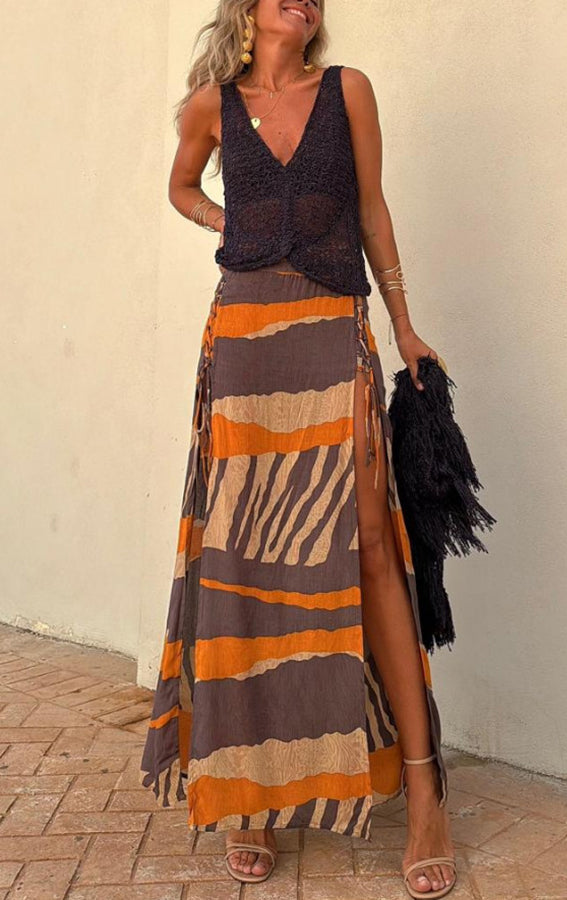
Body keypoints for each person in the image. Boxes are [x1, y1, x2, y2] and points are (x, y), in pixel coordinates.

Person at [140, 1, 456, 896]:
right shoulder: (211, 105)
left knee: (368, 544)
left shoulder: (348, 90)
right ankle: (252, 786)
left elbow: (371, 208)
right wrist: (225, 224)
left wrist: (402, 325)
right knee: (243, 553)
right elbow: (180, 186)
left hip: (330, 325)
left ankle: (424, 791)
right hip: (244, 336)